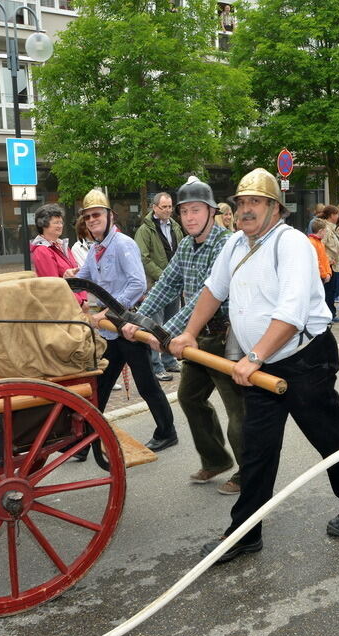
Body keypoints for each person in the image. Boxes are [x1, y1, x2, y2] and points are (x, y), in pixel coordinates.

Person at [170, 168, 339, 563]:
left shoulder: (293, 244)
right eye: (241, 203)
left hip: (304, 360)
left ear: (274, 208)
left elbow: (292, 311)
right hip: (262, 365)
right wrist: (189, 334)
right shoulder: (234, 244)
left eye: (255, 203)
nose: (246, 210)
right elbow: (213, 291)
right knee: (257, 450)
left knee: (326, 434)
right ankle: (245, 532)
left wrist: (253, 357)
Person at [122, 176, 245, 490]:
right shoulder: (187, 245)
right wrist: (140, 318)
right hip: (199, 339)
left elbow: (207, 297)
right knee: (190, 397)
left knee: (238, 410)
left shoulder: (225, 243)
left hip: (227, 337)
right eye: (184, 211)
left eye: (196, 210)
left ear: (211, 211)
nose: (189, 217)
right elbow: (166, 285)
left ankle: (249, 472)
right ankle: (216, 459)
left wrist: (164, 334)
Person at [68, 189, 178, 453]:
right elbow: (83, 279)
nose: (92, 220)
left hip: (129, 326)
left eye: (97, 215)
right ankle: (86, 438)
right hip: (110, 331)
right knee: (102, 385)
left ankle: (167, 431)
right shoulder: (96, 248)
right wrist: (67, 278)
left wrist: (109, 311)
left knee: (146, 384)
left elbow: (138, 284)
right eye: (88, 217)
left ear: (110, 216)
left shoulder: (124, 244)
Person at [135, 192, 185, 381]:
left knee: (171, 323)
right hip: (156, 286)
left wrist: (178, 276)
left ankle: (169, 360)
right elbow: (143, 257)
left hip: (174, 284)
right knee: (154, 325)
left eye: (170, 206)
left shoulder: (176, 227)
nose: (168, 210)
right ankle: (156, 366)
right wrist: (163, 276)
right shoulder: (145, 230)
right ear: (154, 207)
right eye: (163, 207)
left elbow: (181, 251)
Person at [29, 203, 87, 308]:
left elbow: (77, 274)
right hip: (63, 306)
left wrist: (84, 299)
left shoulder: (62, 245)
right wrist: (80, 302)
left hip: (75, 303)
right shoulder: (42, 251)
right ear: (43, 225)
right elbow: (54, 285)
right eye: (56, 222)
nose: (60, 225)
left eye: (61, 222)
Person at [319, 205, 339, 322]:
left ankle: (331, 313)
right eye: (337, 214)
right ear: (331, 215)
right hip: (329, 265)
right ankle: (328, 315)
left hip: (335, 264)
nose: (338, 216)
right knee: (329, 291)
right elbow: (321, 246)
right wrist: (327, 259)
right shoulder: (326, 228)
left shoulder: (332, 228)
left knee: (333, 290)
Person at [309, 218, 333, 288]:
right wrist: (324, 274)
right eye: (325, 231)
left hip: (322, 275)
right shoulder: (312, 243)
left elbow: (325, 259)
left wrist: (328, 273)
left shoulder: (320, 243)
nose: (325, 234)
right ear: (320, 231)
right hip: (317, 276)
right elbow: (317, 261)